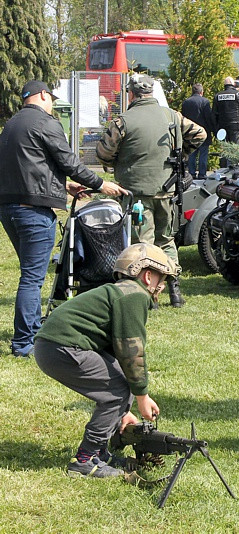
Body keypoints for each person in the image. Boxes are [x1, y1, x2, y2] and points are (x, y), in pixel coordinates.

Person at [0, 80, 127, 358]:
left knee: (29, 275)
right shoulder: (45, 122)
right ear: (43, 95)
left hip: (9, 208)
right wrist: (100, 184)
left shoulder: (11, 125)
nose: (53, 104)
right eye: (51, 98)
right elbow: (68, 162)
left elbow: (30, 165)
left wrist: (62, 187)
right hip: (33, 212)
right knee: (32, 279)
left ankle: (32, 330)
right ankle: (24, 343)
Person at [32, 243, 177, 477]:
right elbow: (131, 350)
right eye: (162, 279)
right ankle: (84, 460)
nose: (162, 287)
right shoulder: (134, 296)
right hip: (62, 347)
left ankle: (100, 453)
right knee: (116, 393)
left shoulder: (120, 291)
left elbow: (117, 357)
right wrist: (142, 397)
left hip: (52, 345)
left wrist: (124, 411)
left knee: (120, 385)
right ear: (148, 275)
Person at [96, 74, 206, 308]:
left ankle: (147, 296)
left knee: (141, 244)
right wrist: (181, 154)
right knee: (166, 240)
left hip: (135, 193)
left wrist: (120, 160)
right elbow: (200, 134)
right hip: (166, 190)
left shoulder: (123, 121)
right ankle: (175, 291)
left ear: (131, 94)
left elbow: (103, 153)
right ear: (152, 92)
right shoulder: (172, 116)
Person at [181, 83, 215, 179]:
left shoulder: (186, 102)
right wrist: (213, 130)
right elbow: (208, 118)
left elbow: (184, 118)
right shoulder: (205, 102)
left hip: (190, 132)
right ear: (201, 92)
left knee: (192, 154)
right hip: (203, 132)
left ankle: (191, 173)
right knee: (203, 154)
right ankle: (202, 174)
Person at [213, 76, 239, 143]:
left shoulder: (217, 96)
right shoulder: (238, 94)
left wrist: (215, 128)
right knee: (235, 148)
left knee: (224, 148)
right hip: (235, 126)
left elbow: (214, 114)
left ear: (224, 85)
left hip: (222, 126)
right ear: (233, 84)